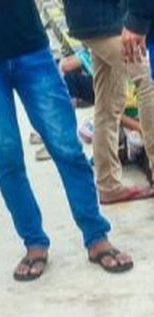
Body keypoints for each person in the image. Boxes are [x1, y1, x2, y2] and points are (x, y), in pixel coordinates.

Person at [0, 0, 133, 281]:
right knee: (6, 154)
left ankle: (96, 235)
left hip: (29, 46)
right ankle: (34, 242)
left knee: (66, 148)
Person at [63, 0, 154, 204]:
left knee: (110, 98)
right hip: (104, 17)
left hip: (88, 18)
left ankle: (108, 183)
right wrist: (137, 19)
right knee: (147, 80)